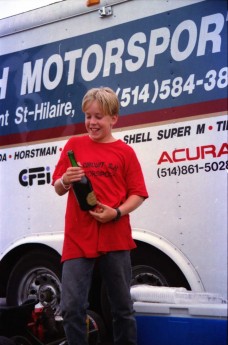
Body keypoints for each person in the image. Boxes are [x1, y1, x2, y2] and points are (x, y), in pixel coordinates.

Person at [52, 87, 148, 345]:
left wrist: (116, 212)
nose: (92, 123)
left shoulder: (125, 152)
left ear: (113, 118)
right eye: (87, 116)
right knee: (71, 308)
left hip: (115, 237)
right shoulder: (74, 145)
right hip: (78, 238)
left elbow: (138, 194)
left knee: (122, 309)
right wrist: (65, 179)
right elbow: (58, 188)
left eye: (98, 117)